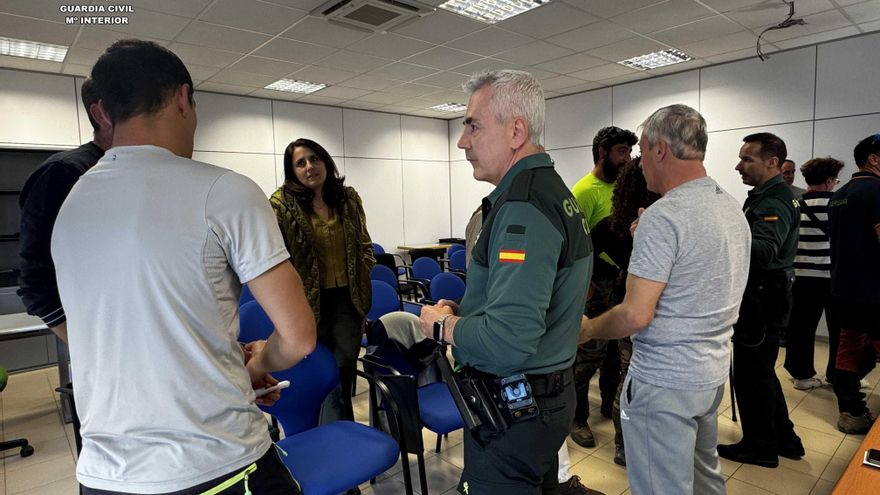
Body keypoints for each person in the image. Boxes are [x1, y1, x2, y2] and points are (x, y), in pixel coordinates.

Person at [52, 39, 316, 494]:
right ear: (182, 98)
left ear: (105, 112)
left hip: (103, 474)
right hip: (214, 462)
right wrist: (253, 367)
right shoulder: (224, 191)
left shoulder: (72, 204)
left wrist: (221, 359)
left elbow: (138, 329)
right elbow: (299, 337)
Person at [418, 69, 593, 494]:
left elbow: (509, 339)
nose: (462, 142)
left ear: (516, 131)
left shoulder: (522, 208)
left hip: (516, 409)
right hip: (539, 400)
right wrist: (466, 312)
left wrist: (442, 327)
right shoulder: (551, 192)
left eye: (473, 126)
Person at [580, 104, 750, 494]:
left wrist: (588, 328)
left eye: (642, 151)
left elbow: (636, 315)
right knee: (705, 476)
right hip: (709, 372)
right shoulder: (729, 207)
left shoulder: (663, 217)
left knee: (661, 486)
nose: (637, 165)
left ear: (660, 150)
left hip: (664, 381)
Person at [463, 207, 603, 495]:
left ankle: (560, 480)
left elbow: (505, 322)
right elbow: (489, 298)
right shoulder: (525, 209)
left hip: (529, 384)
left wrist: (444, 325)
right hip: (523, 383)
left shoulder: (522, 211)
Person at [17, 78, 112, 462]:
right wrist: (92, 347)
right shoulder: (66, 173)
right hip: (104, 355)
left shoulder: (141, 173)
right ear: (103, 113)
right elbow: (36, 281)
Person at [270, 138, 375, 423]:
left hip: (348, 301)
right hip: (307, 304)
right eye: (300, 163)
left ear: (325, 161)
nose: (309, 167)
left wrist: (364, 270)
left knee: (343, 372)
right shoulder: (281, 206)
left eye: (314, 159)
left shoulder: (348, 199)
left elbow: (364, 244)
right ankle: (332, 431)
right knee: (321, 376)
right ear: (292, 172)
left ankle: (340, 429)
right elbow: (278, 258)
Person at [718, 132, 804, 469]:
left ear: (772, 162)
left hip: (764, 296)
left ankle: (760, 447)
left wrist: (723, 234)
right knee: (762, 372)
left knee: (752, 375)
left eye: (747, 159)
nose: (739, 166)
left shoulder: (773, 201)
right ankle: (785, 439)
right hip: (767, 294)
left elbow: (764, 252)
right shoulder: (768, 195)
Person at [570, 126, 637, 449]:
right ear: (602, 153)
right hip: (594, 283)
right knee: (587, 355)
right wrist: (583, 284)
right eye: (622, 151)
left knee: (613, 354)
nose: (628, 159)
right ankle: (576, 417)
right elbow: (574, 246)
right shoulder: (584, 191)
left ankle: (610, 406)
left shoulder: (624, 188)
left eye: (629, 152)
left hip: (619, 281)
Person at [599, 156, 661, 467]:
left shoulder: (617, 221)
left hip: (631, 302)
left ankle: (625, 443)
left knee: (627, 376)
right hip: (640, 308)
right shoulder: (649, 222)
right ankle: (626, 443)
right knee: (631, 378)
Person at [829, 133, 880, 434]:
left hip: (844, 289)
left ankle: (850, 412)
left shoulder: (839, 194)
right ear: (873, 158)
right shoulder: (877, 190)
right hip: (875, 292)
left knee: (848, 349)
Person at [783, 157, 844, 391]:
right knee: (839, 329)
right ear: (828, 181)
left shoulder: (795, 204)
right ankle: (838, 375)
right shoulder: (838, 204)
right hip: (833, 276)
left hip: (802, 276)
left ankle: (802, 376)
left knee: (800, 327)